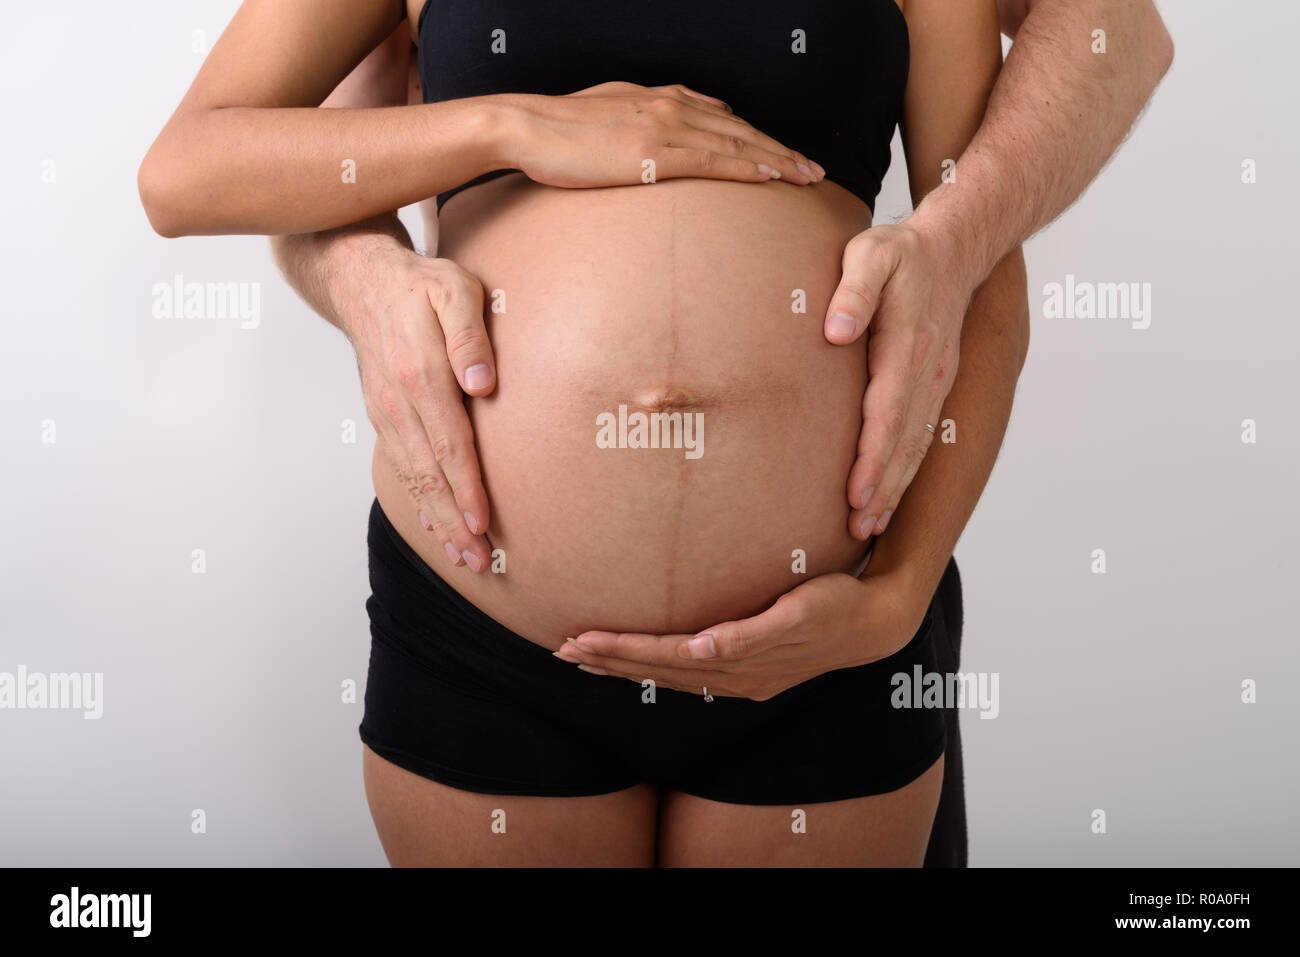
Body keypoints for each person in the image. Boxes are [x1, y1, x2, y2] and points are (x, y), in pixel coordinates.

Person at [139, 0, 1171, 866]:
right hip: (489, 621)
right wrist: (511, 126)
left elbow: (977, 263)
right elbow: (189, 169)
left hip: (826, 626)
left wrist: (898, 595)